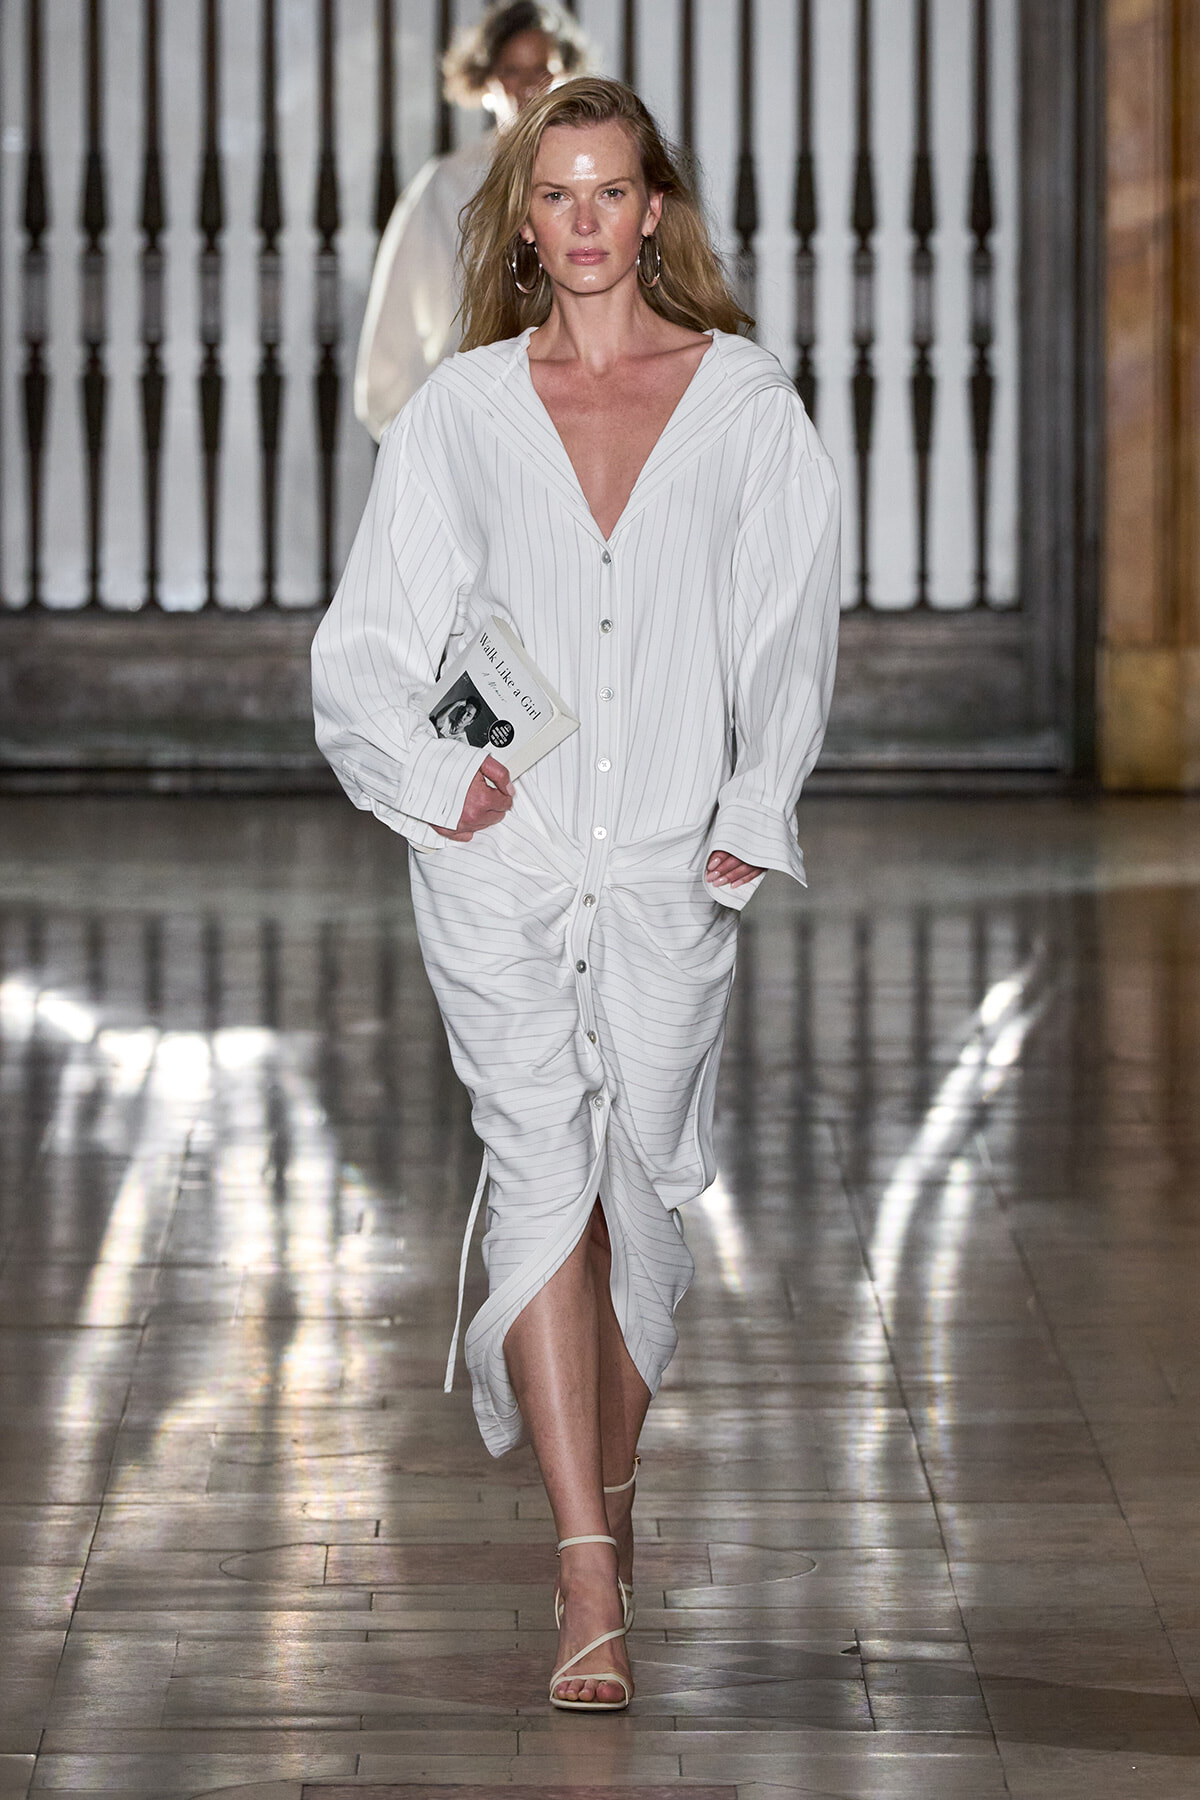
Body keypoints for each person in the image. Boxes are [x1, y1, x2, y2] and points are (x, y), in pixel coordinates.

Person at [313, 77, 840, 1712]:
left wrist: (756, 802)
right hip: (502, 855)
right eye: (561, 195)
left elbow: (788, 619)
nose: (590, 220)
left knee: (644, 1185)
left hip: (674, 852)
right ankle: (585, 1567)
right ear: (526, 221)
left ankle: (599, 1490)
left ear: (654, 211)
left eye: (615, 191)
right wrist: (427, 778)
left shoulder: (744, 401)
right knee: (541, 1162)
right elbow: (371, 645)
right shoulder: (461, 415)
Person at [354, 1, 595, 440]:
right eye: (512, 70)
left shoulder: (598, 176)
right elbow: (393, 339)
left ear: (569, 75)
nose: (530, 88)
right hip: (471, 428)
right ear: (485, 81)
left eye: (545, 69)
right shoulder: (447, 186)